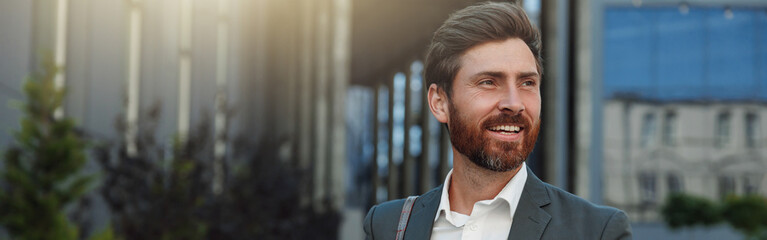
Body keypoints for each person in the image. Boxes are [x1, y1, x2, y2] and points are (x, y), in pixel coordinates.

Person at [363, 2, 632, 239]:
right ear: (439, 103)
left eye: (527, 83)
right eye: (489, 82)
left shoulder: (596, 231)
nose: (514, 103)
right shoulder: (387, 226)